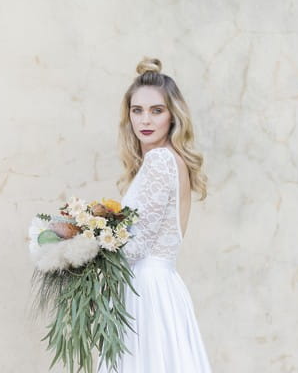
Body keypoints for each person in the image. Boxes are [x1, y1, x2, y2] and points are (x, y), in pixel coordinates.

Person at [97, 57, 212, 372]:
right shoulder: (165, 161)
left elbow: (134, 247)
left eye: (156, 110)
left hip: (145, 292)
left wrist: (85, 247)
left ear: (173, 116)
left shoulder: (161, 160)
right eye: (137, 110)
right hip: (157, 288)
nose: (145, 120)